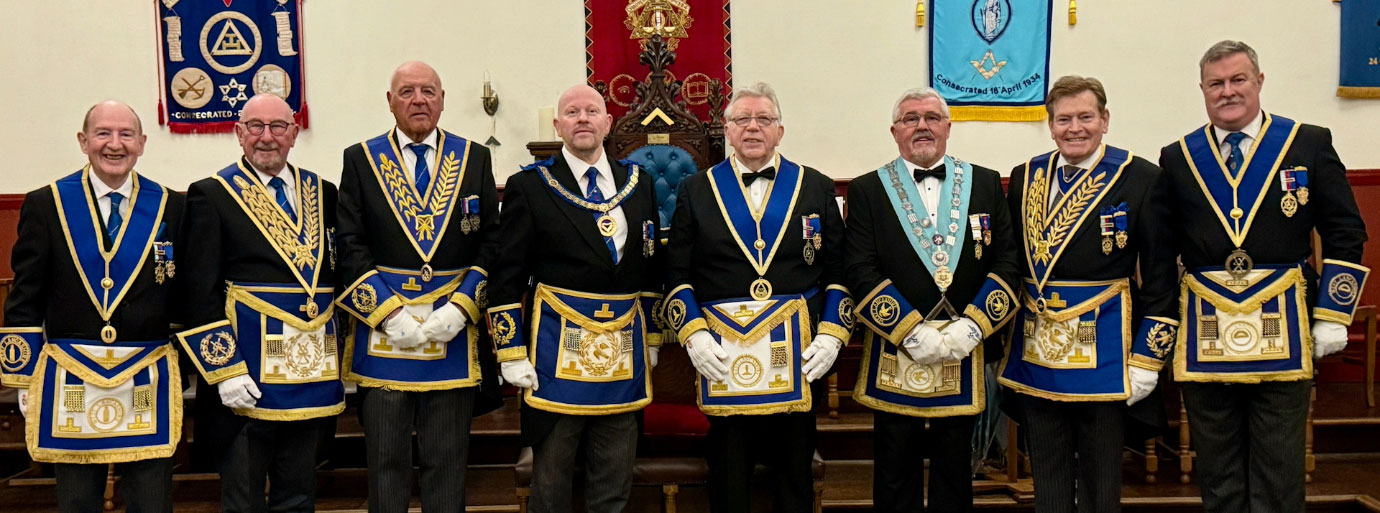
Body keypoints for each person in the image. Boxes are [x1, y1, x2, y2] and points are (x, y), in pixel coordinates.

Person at [1158, 40, 1368, 512]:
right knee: (1218, 473)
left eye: (1238, 80)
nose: (1227, 92)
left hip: (1286, 333)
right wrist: (1164, 326)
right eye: (1216, 84)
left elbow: (1345, 231)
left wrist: (1334, 313)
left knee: (1279, 471)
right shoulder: (1179, 156)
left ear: (1259, 82)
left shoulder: (1307, 142)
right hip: (1205, 335)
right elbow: (1161, 252)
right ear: (1202, 89)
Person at [663, 82, 850, 513]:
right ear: (726, 131)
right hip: (724, 356)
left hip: (799, 355)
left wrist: (832, 334)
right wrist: (693, 335)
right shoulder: (696, 190)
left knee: (794, 477)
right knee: (729, 477)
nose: (752, 128)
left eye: (763, 119)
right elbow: (676, 275)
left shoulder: (815, 187)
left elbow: (840, 272)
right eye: (741, 120)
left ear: (780, 131)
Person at [998, 76, 1178, 513]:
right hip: (1038, 351)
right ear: (1050, 124)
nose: (1074, 128)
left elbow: (1159, 278)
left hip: (1107, 352)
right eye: (1063, 119)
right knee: (1048, 472)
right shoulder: (1026, 176)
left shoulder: (1141, 177)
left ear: (1105, 120)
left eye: (1085, 117)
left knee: (1101, 480)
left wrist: (1148, 360)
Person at [486, 83, 666, 513]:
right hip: (554, 356)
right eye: (571, 112)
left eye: (591, 111)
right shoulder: (529, 187)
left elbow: (649, 266)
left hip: (624, 355)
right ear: (557, 126)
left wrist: (654, 336)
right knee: (551, 487)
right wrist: (510, 351)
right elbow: (506, 275)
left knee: (613, 483)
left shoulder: (638, 184)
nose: (582, 118)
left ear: (608, 123)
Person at [0, 101, 183, 513]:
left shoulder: (171, 205)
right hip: (71, 376)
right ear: (83, 141)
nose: (114, 145)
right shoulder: (47, 203)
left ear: (142, 144)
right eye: (103, 134)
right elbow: (25, 296)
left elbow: (182, 293)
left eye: (125, 135)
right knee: (78, 500)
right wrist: (23, 376)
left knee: (151, 500)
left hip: (146, 374)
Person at [334, 60, 500, 513]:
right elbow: (349, 244)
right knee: (385, 461)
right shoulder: (361, 159)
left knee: (446, 462)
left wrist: (462, 307)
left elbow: (492, 240)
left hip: (453, 334)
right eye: (407, 92)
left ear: (443, 99)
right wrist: (388, 312)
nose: (419, 100)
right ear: (390, 102)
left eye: (428, 91)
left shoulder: (474, 157)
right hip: (384, 332)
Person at [846, 88, 1019, 513]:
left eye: (931, 117)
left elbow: (1009, 262)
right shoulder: (868, 189)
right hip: (895, 346)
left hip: (965, 348)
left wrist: (974, 325)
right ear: (894, 131)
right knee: (893, 465)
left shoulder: (984, 182)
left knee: (956, 468)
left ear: (947, 127)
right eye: (910, 118)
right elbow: (859, 269)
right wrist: (909, 330)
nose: (921, 125)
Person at [175, 93, 342, 513]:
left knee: (299, 495)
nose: (266, 137)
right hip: (245, 379)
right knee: (244, 499)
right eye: (255, 126)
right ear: (238, 133)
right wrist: (223, 371)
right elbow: (199, 292)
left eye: (278, 127)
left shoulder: (324, 193)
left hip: (310, 375)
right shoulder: (210, 195)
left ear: (294, 133)